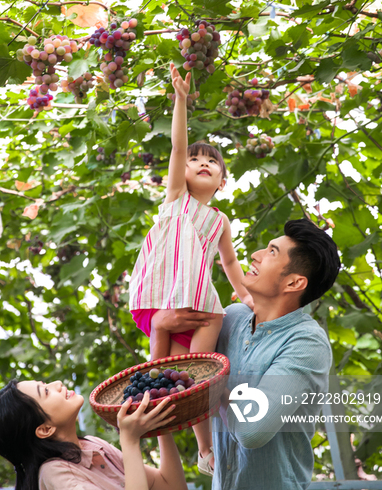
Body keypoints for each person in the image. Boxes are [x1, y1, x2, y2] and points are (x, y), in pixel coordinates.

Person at [151, 218, 341, 489]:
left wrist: (206, 382)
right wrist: (159, 329)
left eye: (272, 252)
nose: (255, 255)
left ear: (294, 283)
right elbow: (170, 385)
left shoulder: (306, 343)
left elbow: (252, 433)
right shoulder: (229, 318)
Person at [129, 62, 252, 474]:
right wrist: (180, 100)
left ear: (221, 181)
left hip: (196, 298)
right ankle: (156, 416)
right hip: (159, 294)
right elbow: (177, 148)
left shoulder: (219, 220)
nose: (201, 162)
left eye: (211, 163)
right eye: (195, 159)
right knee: (166, 370)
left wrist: (247, 294)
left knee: (190, 375)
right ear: (180, 173)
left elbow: (230, 262)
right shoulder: (176, 199)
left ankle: (203, 451)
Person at [0, 378, 188, 490]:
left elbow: (171, 486)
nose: (57, 384)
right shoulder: (55, 472)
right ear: (45, 429)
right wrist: (130, 440)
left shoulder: (92, 446)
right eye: (46, 391)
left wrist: (160, 423)